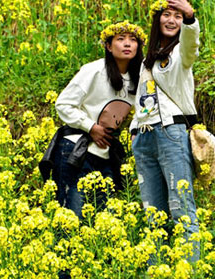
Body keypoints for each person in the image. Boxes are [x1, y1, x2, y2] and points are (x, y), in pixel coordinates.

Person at [39, 21, 146, 219]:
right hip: (75, 153)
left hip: (105, 157)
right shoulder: (94, 70)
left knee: (105, 220)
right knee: (73, 217)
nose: (127, 44)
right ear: (108, 46)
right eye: (120, 39)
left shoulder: (139, 78)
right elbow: (63, 104)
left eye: (133, 40)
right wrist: (90, 127)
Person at [130, 0, 201, 263]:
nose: (172, 20)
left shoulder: (181, 55)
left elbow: (192, 44)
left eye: (177, 16)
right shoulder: (147, 61)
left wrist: (190, 14)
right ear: (157, 20)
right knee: (153, 214)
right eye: (166, 15)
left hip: (171, 131)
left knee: (181, 209)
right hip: (143, 137)